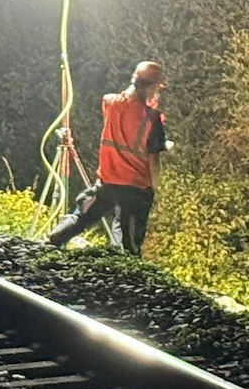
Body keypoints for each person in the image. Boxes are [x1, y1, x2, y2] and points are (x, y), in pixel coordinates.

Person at [48, 61, 169, 254]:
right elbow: (154, 159)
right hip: (136, 187)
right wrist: (155, 188)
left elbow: (121, 105)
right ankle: (128, 268)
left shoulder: (110, 103)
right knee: (129, 240)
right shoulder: (152, 118)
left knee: (82, 216)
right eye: (157, 88)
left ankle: (52, 242)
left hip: (108, 181)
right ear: (152, 87)